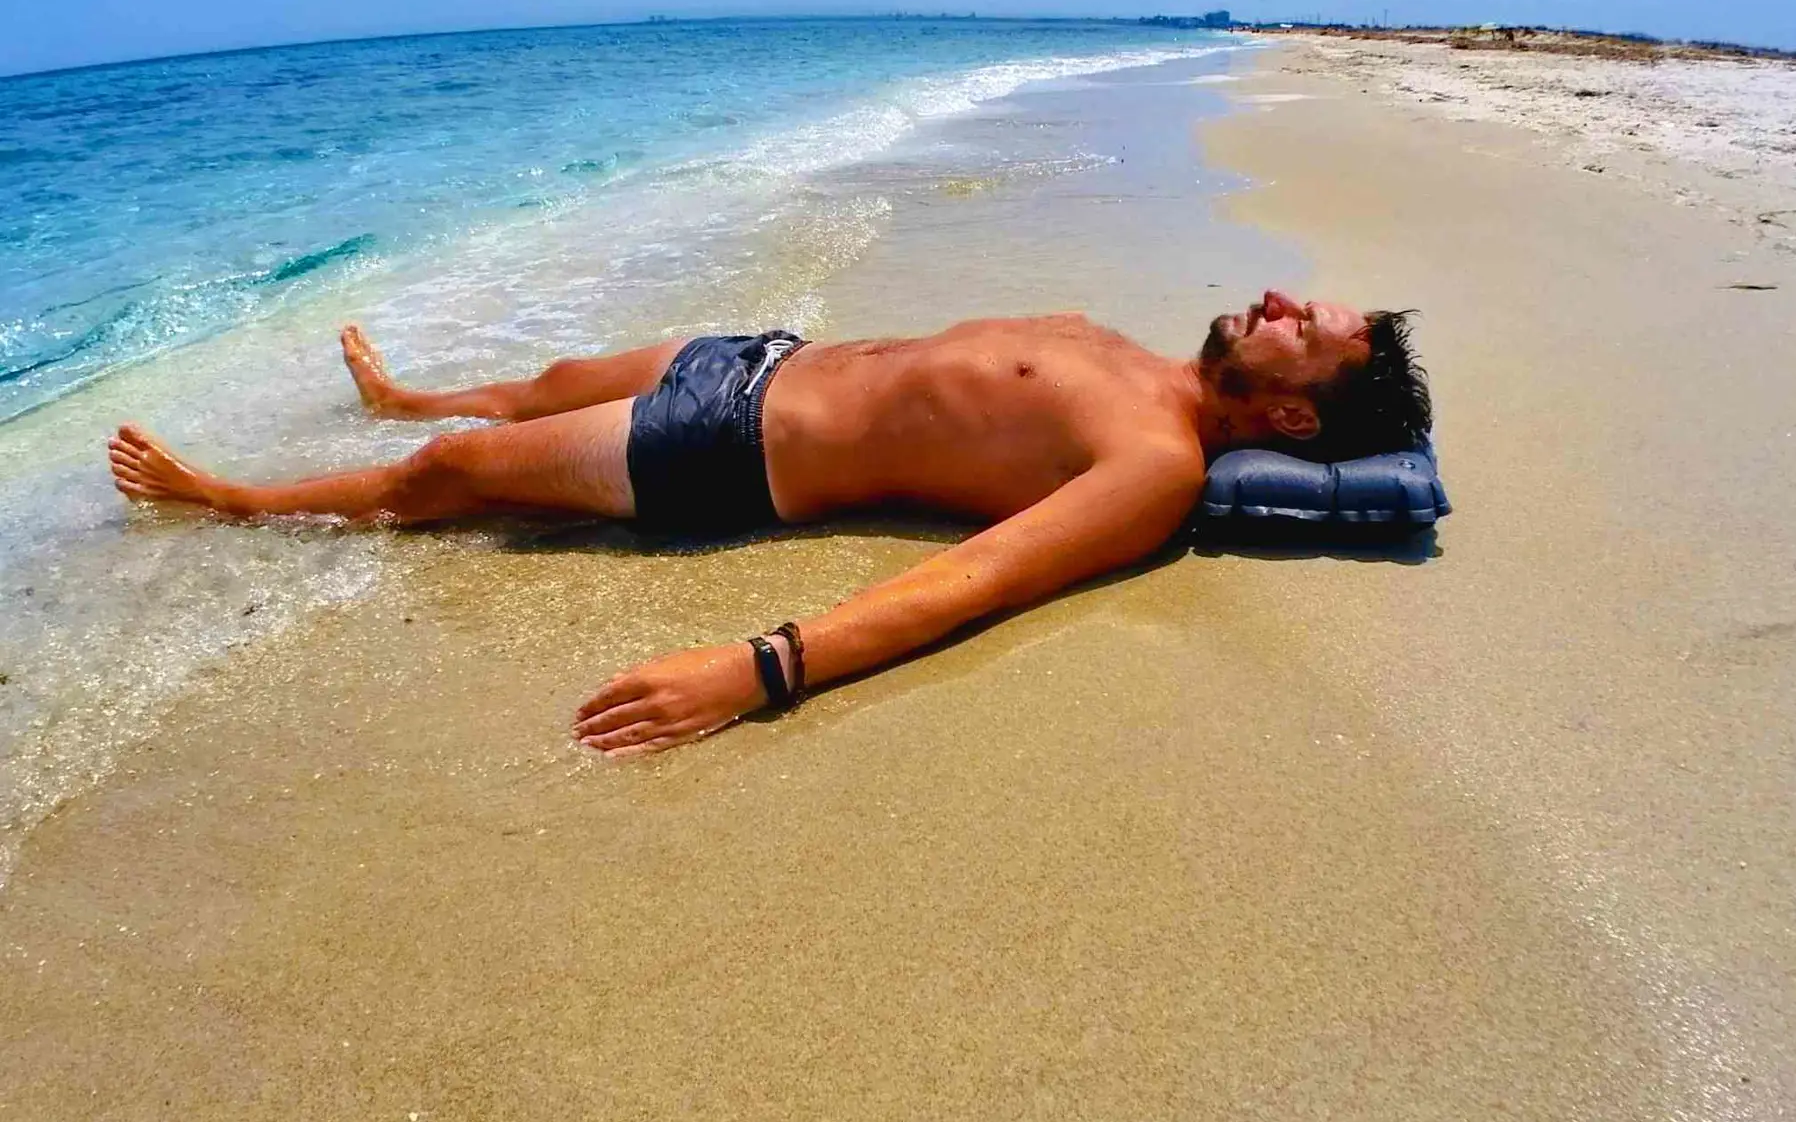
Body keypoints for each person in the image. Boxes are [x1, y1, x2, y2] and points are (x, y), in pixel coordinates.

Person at [107, 292, 1429, 754]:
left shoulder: (1152, 464)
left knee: (453, 473)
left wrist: (762, 668)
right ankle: (400, 395)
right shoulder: (1140, 359)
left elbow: (979, 580)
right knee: (546, 381)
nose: (1278, 298)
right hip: (763, 360)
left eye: (1304, 327)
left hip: (736, 449)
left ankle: (224, 500)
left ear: (1292, 413)